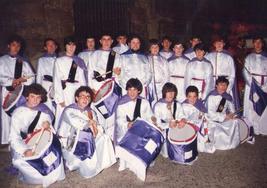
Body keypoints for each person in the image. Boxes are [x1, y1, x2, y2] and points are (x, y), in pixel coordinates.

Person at [9, 83, 65, 187]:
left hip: (39, 139)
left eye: (38, 97)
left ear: (41, 98)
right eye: (32, 96)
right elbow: (14, 137)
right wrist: (24, 150)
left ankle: (49, 173)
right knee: (23, 161)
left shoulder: (43, 109)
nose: (35, 100)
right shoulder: (18, 113)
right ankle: (35, 178)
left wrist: (47, 124)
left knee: (53, 152)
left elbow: (47, 122)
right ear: (26, 96)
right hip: (23, 142)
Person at [57, 86, 116, 178]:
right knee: (86, 141)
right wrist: (89, 123)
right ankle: (87, 170)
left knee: (104, 137)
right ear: (77, 98)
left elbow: (97, 125)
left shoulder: (91, 111)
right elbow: (76, 122)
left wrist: (97, 130)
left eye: (88, 97)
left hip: (86, 138)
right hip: (69, 142)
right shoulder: (69, 110)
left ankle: (102, 163)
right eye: (82, 96)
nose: (85, 99)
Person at [114, 78, 157, 179]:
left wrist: (154, 121)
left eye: (134, 90)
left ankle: (142, 160)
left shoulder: (144, 102)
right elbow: (119, 119)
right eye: (130, 89)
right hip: (127, 130)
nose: (132, 92)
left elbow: (150, 116)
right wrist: (127, 124)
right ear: (127, 90)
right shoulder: (122, 103)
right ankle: (125, 160)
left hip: (141, 130)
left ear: (139, 90)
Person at [0, 35, 35, 145]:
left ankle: (19, 140)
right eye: (14, 45)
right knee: (6, 117)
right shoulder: (2, 60)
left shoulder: (23, 61)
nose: (16, 48)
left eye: (18, 46)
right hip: (7, 92)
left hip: (20, 93)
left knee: (19, 115)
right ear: (9, 46)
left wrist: (23, 80)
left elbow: (31, 77)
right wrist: (12, 81)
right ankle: (7, 140)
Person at [87, 34, 121, 139]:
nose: (106, 42)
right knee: (99, 113)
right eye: (104, 40)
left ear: (112, 41)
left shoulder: (116, 55)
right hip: (97, 88)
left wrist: (118, 73)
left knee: (111, 115)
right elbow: (89, 73)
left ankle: (110, 139)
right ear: (101, 41)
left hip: (110, 89)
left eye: (108, 40)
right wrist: (90, 87)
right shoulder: (94, 54)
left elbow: (119, 74)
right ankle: (99, 138)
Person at [53, 36, 88, 131]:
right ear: (65, 46)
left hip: (77, 91)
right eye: (69, 44)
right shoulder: (59, 61)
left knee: (77, 114)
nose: (71, 47)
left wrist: (84, 95)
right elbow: (56, 80)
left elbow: (82, 80)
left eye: (73, 45)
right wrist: (60, 98)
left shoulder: (79, 61)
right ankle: (61, 137)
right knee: (64, 113)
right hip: (65, 92)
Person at [204, 77, 240, 153]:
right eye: (221, 85)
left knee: (235, 121)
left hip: (223, 119)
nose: (223, 87)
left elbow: (232, 110)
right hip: (211, 120)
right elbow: (211, 114)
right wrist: (225, 116)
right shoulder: (211, 96)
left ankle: (231, 142)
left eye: (225, 85)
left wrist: (232, 115)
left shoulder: (227, 97)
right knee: (217, 132)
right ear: (216, 85)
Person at [153, 83, 186, 158]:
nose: (171, 94)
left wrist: (183, 120)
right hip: (163, 129)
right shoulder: (158, 105)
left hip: (176, 127)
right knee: (167, 154)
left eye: (173, 92)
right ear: (164, 93)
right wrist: (168, 125)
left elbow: (182, 116)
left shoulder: (177, 104)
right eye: (168, 92)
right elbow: (157, 124)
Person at [206, 36, 239, 109]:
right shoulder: (209, 56)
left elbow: (232, 74)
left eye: (221, 43)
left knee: (224, 102)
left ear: (224, 44)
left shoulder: (228, 57)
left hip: (224, 83)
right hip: (212, 82)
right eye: (217, 43)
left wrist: (228, 88)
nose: (219, 45)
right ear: (214, 44)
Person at [243, 36, 267, 135]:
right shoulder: (249, 57)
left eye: (259, 42)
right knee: (252, 106)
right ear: (253, 44)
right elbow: (245, 71)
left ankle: (263, 127)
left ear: (262, 44)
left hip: (265, 85)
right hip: (252, 85)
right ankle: (253, 127)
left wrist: (264, 85)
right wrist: (252, 84)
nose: (257, 45)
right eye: (255, 42)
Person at [182, 86, 208, 152]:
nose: (192, 99)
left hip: (198, 124)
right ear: (186, 96)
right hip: (188, 125)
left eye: (194, 97)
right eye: (190, 96)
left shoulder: (199, 103)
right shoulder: (183, 105)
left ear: (197, 97)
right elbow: (181, 116)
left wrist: (202, 116)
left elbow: (203, 112)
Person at [36, 38, 58, 112]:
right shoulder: (42, 60)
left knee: (57, 109)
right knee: (47, 108)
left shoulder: (60, 59)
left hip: (58, 86)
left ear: (56, 47)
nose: (51, 47)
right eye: (48, 45)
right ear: (45, 47)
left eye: (53, 45)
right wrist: (38, 91)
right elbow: (39, 76)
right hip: (46, 87)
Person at [147, 39, 169, 105]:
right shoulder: (146, 59)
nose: (155, 49)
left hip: (161, 85)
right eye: (153, 47)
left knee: (161, 103)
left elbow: (166, 74)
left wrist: (165, 86)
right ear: (149, 48)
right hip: (150, 86)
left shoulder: (163, 60)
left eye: (156, 47)